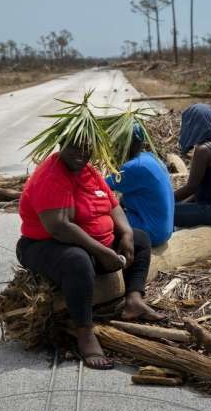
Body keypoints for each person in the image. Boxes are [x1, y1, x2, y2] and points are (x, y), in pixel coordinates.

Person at [16, 141, 165, 370]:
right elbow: (59, 227)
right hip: (45, 245)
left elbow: (113, 205)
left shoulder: (88, 171)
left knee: (140, 239)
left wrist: (125, 233)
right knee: (77, 261)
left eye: (87, 147)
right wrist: (101, 251)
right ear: (62, 143)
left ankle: (134, 300)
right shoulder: (51, 176)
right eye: (74, 147)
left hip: (95, 246)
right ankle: (84, 331)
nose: (81, 153)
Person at [105, 124, 174, 246]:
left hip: (153, 234)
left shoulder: (134, 167)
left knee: (103, 221)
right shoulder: (151, 157)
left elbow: (102, 186)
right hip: (166, 230)